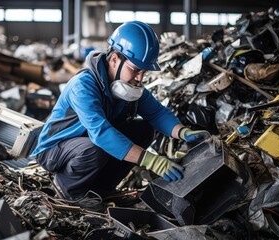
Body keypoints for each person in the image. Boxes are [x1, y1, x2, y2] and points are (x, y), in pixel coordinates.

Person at [30, 21, 210, 212]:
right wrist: (151, 161)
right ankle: (68, 189)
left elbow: (156, 112)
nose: (140, 78)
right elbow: (101, 133)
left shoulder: (127, 88)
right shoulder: (83, 86)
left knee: (143, 130)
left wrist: (182, 132)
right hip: (55, 150)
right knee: (95, 147)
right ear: (115, 59)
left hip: (84, 145)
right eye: (135, 70)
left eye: (144, 72)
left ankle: (100, 189)